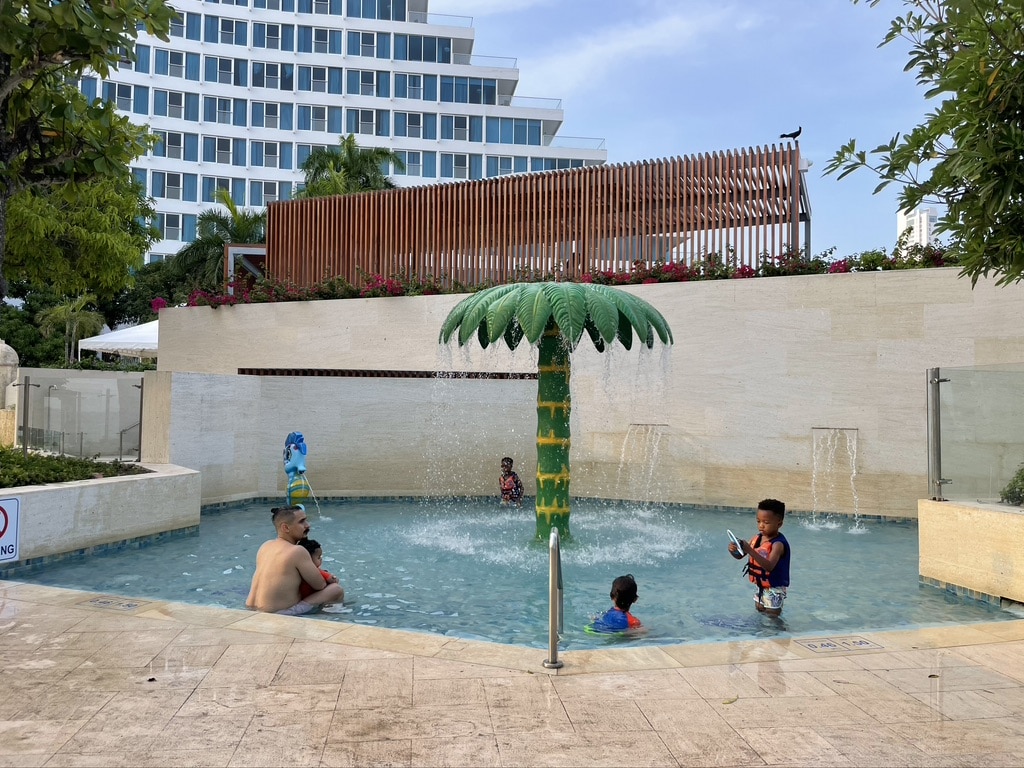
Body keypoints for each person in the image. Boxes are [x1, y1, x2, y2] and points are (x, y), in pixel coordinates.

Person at [246, 505, 344, 615]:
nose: (308, 525)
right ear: (286, 528)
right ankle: (328, 620)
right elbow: (320, 585)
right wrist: (327, 577)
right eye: (302, 522)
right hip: (278, 613)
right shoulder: (297, 551)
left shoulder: (265, 546)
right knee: (335, 590)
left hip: (251, 609)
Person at [728, 498, 790, 616]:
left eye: (766, 523)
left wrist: (750, 550)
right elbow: (740, 555)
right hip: (761, 586)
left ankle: (780, 633)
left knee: (772, 617)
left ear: (779, 524)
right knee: (759, 610)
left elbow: (769, 566)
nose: (761, 526)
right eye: (758, 521)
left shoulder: (778, 544)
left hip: (774, 589)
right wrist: (733, 550)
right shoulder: (757, 538)